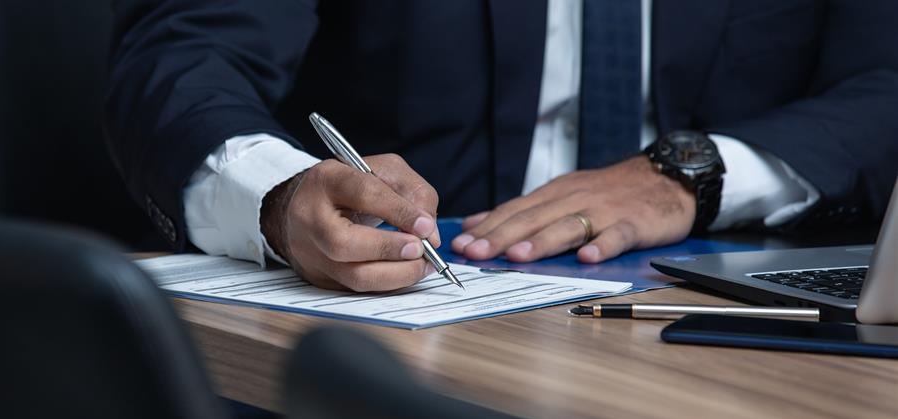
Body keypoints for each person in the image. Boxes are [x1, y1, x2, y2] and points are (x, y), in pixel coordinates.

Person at [104, 0, 898, 292]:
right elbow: (186, 54)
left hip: (709, 315)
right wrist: (279, 198)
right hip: (398, 326)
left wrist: (694, 172)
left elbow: (885, 84)